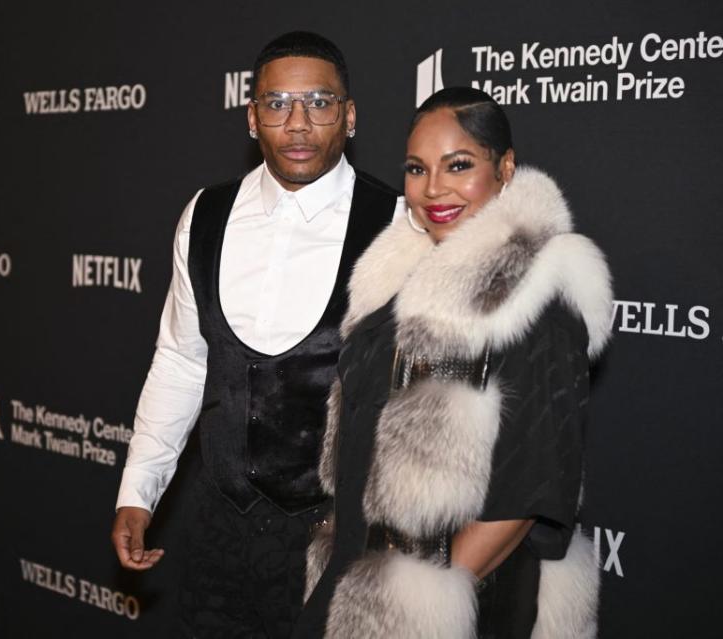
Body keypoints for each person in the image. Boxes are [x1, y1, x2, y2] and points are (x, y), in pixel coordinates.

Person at [110, 31, 403, 637]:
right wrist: (139, 489)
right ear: (251, 118)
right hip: (220, 534)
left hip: (339, 543)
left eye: (319, 103)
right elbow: (182, 361)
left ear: (349, 117)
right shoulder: (205, 214)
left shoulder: (396, 222)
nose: (297, 123)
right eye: (277, 104)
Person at [295, 87, 611, 638]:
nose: (433, 188)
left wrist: (423, 613)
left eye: (458, 165)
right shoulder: (398, 282)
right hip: (354, 581)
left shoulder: (538, 300)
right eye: (417, 169)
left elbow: (526, 499)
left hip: (453, 609)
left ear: (505, 168)